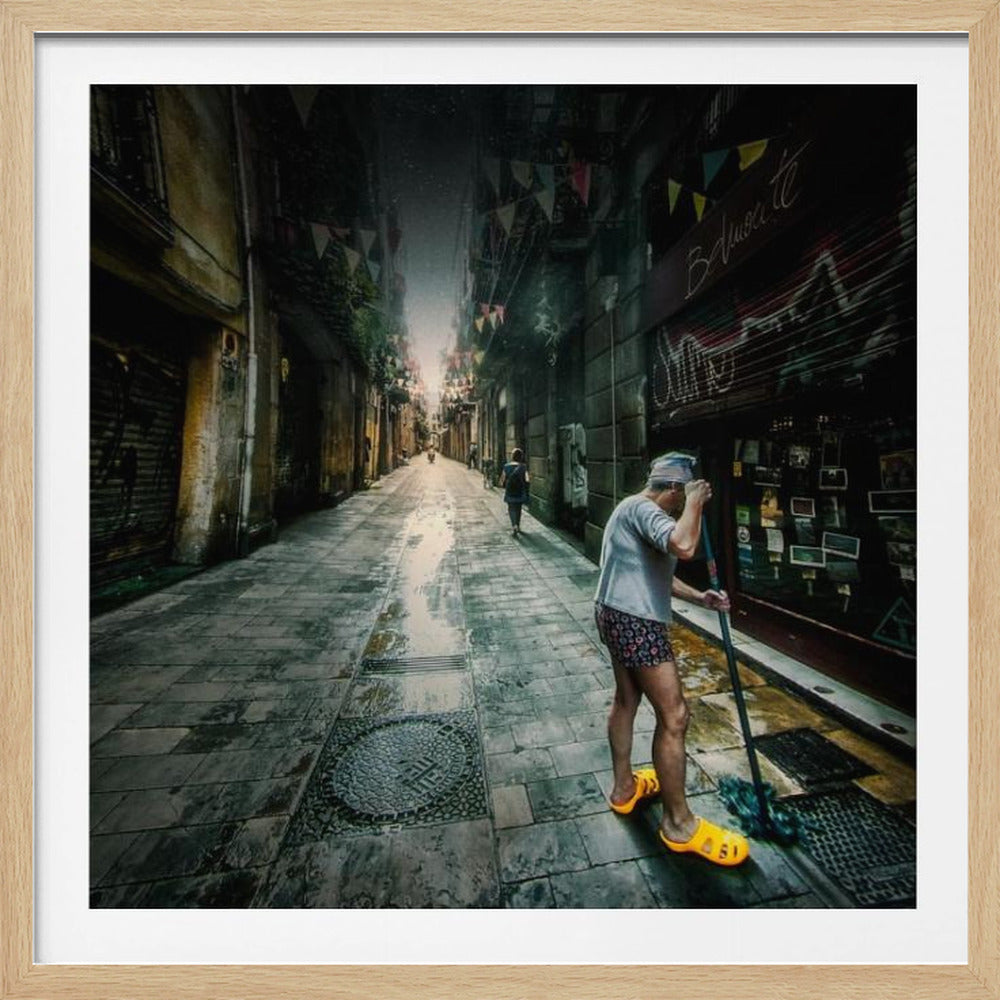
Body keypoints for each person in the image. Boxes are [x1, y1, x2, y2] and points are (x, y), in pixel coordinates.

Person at [594, 452, 750, 867]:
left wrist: (700, 597)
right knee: (676, 716)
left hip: (615, 612)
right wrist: (696, 501)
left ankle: (624, 789)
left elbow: (657, 571)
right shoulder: (645, 510)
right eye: (681, 498)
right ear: (675, 489)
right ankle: (678, 824)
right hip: (636, 622)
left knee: (626, 700)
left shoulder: (632, 511)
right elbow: (683, 545)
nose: (682, 508)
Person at [499, 447, 530, 537]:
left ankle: (514, 526)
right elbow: (527, 480)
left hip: (510, 491)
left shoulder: (506, 466)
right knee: (518, 508)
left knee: (511, 508)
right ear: (521, 457)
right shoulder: (523, 467)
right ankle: (518, 525)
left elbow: (501, 481)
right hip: (520, 491)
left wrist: (503, 484)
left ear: (512, 456)